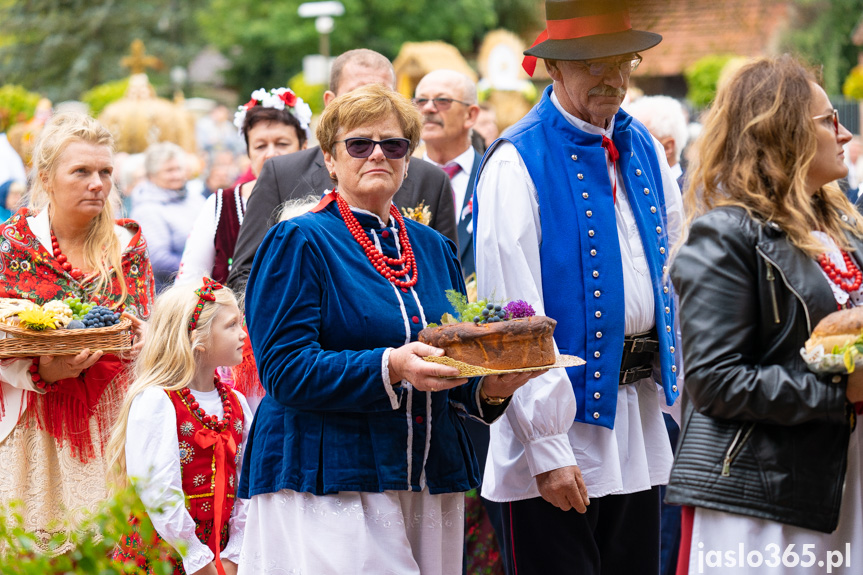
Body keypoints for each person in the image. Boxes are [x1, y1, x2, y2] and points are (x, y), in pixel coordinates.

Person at [236, 84, 543, 575]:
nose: (378, 153)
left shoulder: (433, 247)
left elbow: (450, 367)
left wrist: (491, 388)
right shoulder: (298, 239)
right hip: (330, 473)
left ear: (407, 158)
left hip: (425, 473)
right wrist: (392, 365)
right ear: (331, 160)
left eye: (393, 144)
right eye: (359, 144)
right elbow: (284, 370)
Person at [473, 1, 683, 574]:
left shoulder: (642, 149)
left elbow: (675, 275)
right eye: (593, 63)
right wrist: (546, 446)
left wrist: (680, 405)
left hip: (638, 422)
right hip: (561, 432)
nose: (612, 77)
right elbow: (512, 321)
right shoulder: (517, 161)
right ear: (553, 68)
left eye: (622, 61)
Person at [668, 55, 863, 575]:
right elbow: (715, 380)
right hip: (765, 498)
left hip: (844, 477)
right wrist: (841, 392)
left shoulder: (845, 236)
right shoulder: (727, 235)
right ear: (784, 132)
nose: (844, 133)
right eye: (828, 121)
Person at [0, 112, 153, 555]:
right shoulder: (14, 243)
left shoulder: (127, 244)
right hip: (35, 421)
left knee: (112, 553)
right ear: (46, 178)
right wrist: (45, 369)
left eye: (105, 172)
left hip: (114, 419)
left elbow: (142, 323)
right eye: (81, 171)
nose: (97, 184)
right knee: (38, 552)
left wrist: (144, 335)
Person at [227, 49, 457, 294]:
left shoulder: (431, 180)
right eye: (357, 95)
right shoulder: (282, 174)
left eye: (382, 95)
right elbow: (246, 273)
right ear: (329, 102)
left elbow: (447, 284)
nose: (371, 106)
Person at [108, 279, 253, 575]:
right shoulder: (157, 401)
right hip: (163, 554)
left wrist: (235, 553)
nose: (243, 335)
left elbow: (247, 483)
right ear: (197, 338)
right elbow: (158, 490)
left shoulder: (237, 403)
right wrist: (197, 558)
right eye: (231, 325)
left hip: (220, 553)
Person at [178, 88, 310, 285]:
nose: (270, 154)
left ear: (304, 149)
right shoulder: (222, 205)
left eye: (282, 144)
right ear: (248, 153)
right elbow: (188, 283)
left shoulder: (325, 201)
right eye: (260, 146)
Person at [414, 69, 481, 281]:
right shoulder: (399, 181)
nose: (428, 108)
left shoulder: (493, 176)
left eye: (442, 101)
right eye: (421, 101)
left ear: (470, 115)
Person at [131, 142, 206, 292]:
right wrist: (202, 270)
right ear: (152, 176)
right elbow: (158, 260)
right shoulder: (146, 209)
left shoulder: (195, 198)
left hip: (205, 283)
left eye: (179, 168)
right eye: (169, 170)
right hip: (173, 292)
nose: (176, 175)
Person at [626, 95, 689, 191]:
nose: (628, 146)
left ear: (667, 148)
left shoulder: (694, 198)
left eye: (638, 139)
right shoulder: (630, 187)